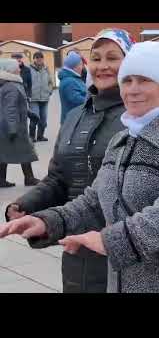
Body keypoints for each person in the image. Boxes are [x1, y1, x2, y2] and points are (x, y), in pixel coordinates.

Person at [0, 41, 159, 293]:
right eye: (127, 81)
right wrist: (47, 221)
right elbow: (94, 202)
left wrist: (112, 240)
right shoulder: (123, 139)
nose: (132, 90)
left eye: (144, 80)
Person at [5, 28, 135, 293]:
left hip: (127, 248)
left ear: (131, 62)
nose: (103, 65)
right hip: (77, 249)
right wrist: (26, 204)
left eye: (113, 57)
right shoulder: (77, 115)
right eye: (96, 58)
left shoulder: (139, 116)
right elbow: (58, 177)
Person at [0, 59, 40, 188]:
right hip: (13, 126)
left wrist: (29, 113)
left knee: (4, 153)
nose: (20, 69)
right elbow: (10, 108)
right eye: (17, 67)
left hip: (12, 125)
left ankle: (2, 180)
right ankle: (29, 178)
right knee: (25, 152)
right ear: (11, 70)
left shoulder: (12, 84)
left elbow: (18, 106)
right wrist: (12, 128)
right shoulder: (11, 86)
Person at [29, 51, 53, 142]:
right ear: (34, 59)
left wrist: (49, 91)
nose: (39, 59)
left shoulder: (46, 69)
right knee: (34, 117)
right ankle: (31, 136)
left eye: (41, 58)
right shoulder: (29, 69)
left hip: (44, 98)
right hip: (33, 98)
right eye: (37, 57)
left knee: (43, 119)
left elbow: (50, 82)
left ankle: (40, 136)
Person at [58, 51, 87, 124]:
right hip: (71, 122)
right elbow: (77, 100)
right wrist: (92, 100)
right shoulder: (69, 82)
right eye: (80, 64)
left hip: (75, 120)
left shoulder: (74, 78)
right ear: (75, 66)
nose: (82, 67)